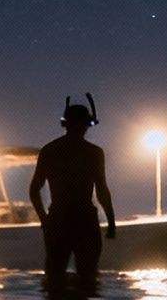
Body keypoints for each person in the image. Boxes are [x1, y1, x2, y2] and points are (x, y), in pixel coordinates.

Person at [29, 103, 116, 284]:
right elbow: (101, 189)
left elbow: (34, 189)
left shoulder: (50, 150)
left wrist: (45, 220)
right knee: (88, 279)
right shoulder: (94, 153)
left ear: (65, 123)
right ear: (87, 124)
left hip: (58, 220)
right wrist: (111, 223)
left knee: (54, 279)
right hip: (85, 220)